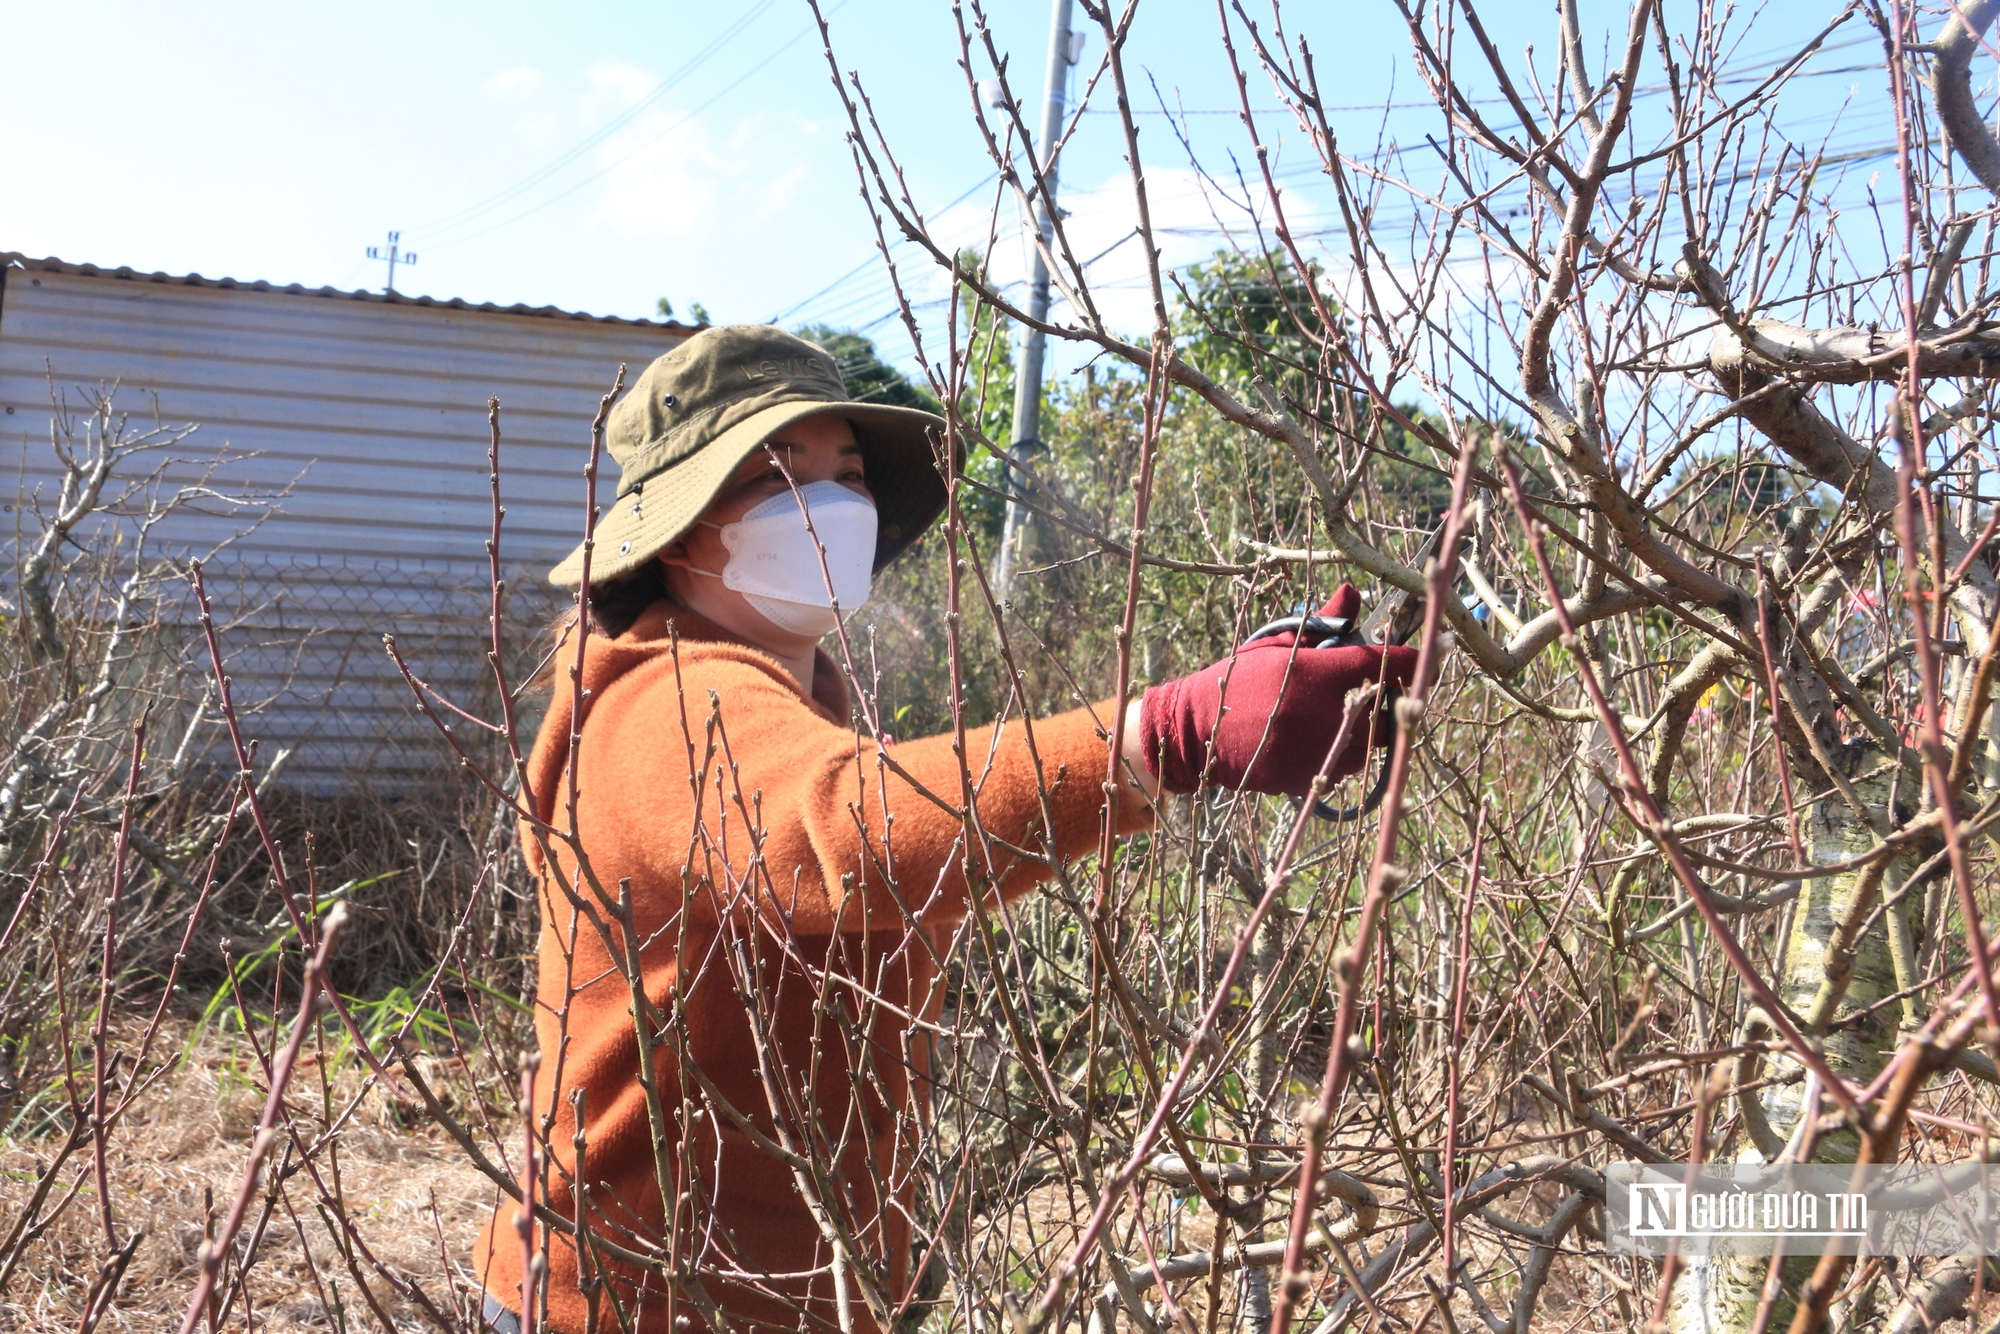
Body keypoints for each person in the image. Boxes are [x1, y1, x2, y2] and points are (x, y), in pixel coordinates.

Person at [473, 325, 1417, 1334]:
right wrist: (1162, 734)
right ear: (679, 529)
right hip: (635, 1305)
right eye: (777, 476)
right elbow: (842, 833)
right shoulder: (664, 699)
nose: (831, 505)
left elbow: (875, 825)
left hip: (772, 1298)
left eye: (846, 473)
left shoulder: (786, 706)